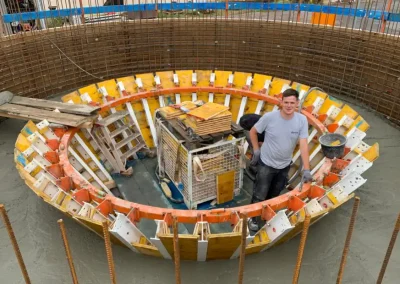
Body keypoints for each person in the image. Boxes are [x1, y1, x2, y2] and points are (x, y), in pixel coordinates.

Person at [248, 88, 313, 231]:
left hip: (284, 166)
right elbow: (253, 131)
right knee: (260, 194)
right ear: (281, 102)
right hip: (266, 164)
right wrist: (256, 150)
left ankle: (265, 216)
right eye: (286, 102)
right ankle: (253, 218)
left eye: (292, 103)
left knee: (274, 195)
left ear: (297, 103)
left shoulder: (301, 120)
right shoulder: (269, 117)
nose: (289, 106)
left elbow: (303, 145)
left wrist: (307, 169)